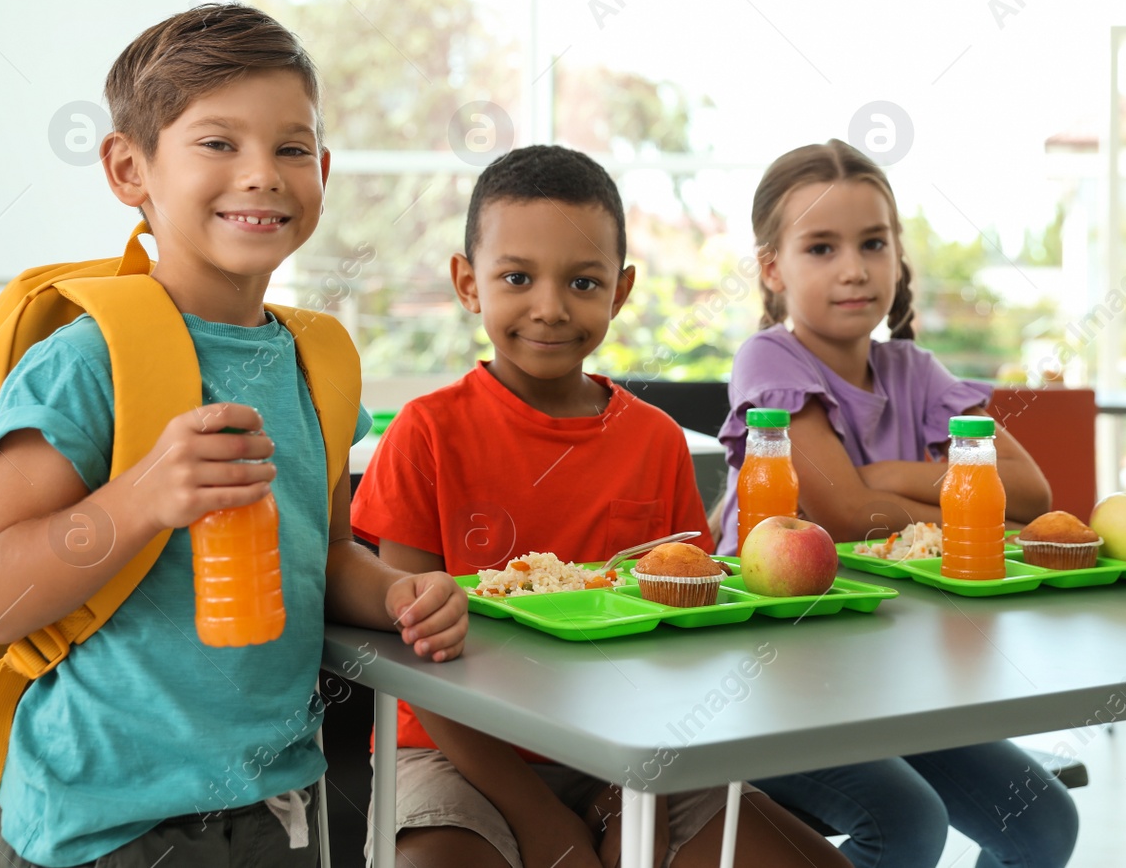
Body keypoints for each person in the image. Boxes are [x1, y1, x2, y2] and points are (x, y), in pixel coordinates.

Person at [0, 4, 469, 867]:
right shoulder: (84, 365)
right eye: (218, 143)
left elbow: (323, 551)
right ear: (130, 168)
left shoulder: (319, 361)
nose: (263, 174)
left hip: (272, 809)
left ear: (325, 169)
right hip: (97, 826)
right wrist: (143, 497)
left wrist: (392, 592)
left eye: (292, 147)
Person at [351, 144, 848, 868]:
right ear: (467, 282)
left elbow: (679, 641)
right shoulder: (427, 433)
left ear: (619, 290)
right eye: (517, 277)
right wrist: (543, 821)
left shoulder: (653, 440)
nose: (549, 308)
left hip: (628, 746)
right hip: (457, 751)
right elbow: (414, 664)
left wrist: (629, 800)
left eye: (583, 282)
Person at [717, 139, 1076, 868]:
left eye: (873, 243)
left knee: (1042, 824)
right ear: (772, 268)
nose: (853, 268)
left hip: (895, 676)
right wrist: (965, 508)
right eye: (821, 247)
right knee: (910, 824)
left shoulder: (917, 370)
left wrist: (897, 473)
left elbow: (1034, 495)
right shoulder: (770, 361)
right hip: (773, 676)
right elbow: (846, 514)